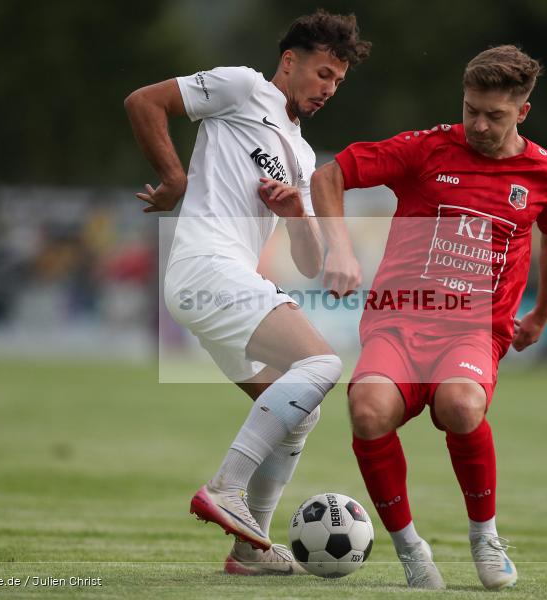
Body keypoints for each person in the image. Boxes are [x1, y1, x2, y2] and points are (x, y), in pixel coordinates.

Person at [311, 45, 547, 590]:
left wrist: (543, 314)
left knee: (460, 403)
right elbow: (329, 176)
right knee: (366, 410)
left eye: (494, 115)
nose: (478, 124)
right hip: (397, 323)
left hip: (475, 330)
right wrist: (338, 248)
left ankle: (485, 536)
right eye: (471, 109)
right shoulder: (426, 149)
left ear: (522, 112)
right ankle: (411, 550)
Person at [124, 10, 370, 574]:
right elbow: (143, 102)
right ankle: (225, 488)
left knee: (298, 409)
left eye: (338, 81)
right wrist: (175, 179)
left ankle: (248, 548)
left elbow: (307, 261)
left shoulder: (303, 154)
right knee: (322, 364)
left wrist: (295, 213)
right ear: (290, 61)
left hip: (223, 278)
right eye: (324, 74)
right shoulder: (241, 87)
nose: (330, 88)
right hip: (206, 265)